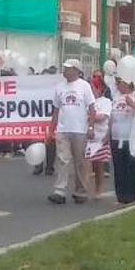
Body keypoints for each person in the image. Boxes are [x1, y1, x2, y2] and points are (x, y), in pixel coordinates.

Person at [47, 59, 95, 205]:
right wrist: (51, 129)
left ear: (76, 70)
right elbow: (56, 109)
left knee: (79, 161)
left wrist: (91, 127)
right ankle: (60, 190)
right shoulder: (59, 87)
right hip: (63, 129)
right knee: (63, 159)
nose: (65, 71)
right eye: (65, 68)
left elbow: (92, 107)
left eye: (68, 68)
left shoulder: (84, 86)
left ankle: (80, 191)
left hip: (80, 129)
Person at [110, 77, 135, 205]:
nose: (118, 85)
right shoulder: (115, 96)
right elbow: (112, 114)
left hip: (133, 138)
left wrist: (133, 105)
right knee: (120, 168)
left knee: (134, 168)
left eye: (119, 82)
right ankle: (122, 197)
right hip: (117, 137)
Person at [84, 73, 112, 198]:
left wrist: (90, 116)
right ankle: (84, 188)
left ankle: (99, 188)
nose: (92, 90)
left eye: (94, 88)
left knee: (99, 164)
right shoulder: (86, 102)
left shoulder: (105, 102)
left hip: (100, 136)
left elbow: (102, 117)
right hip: (87, 136)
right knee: (86, 163)